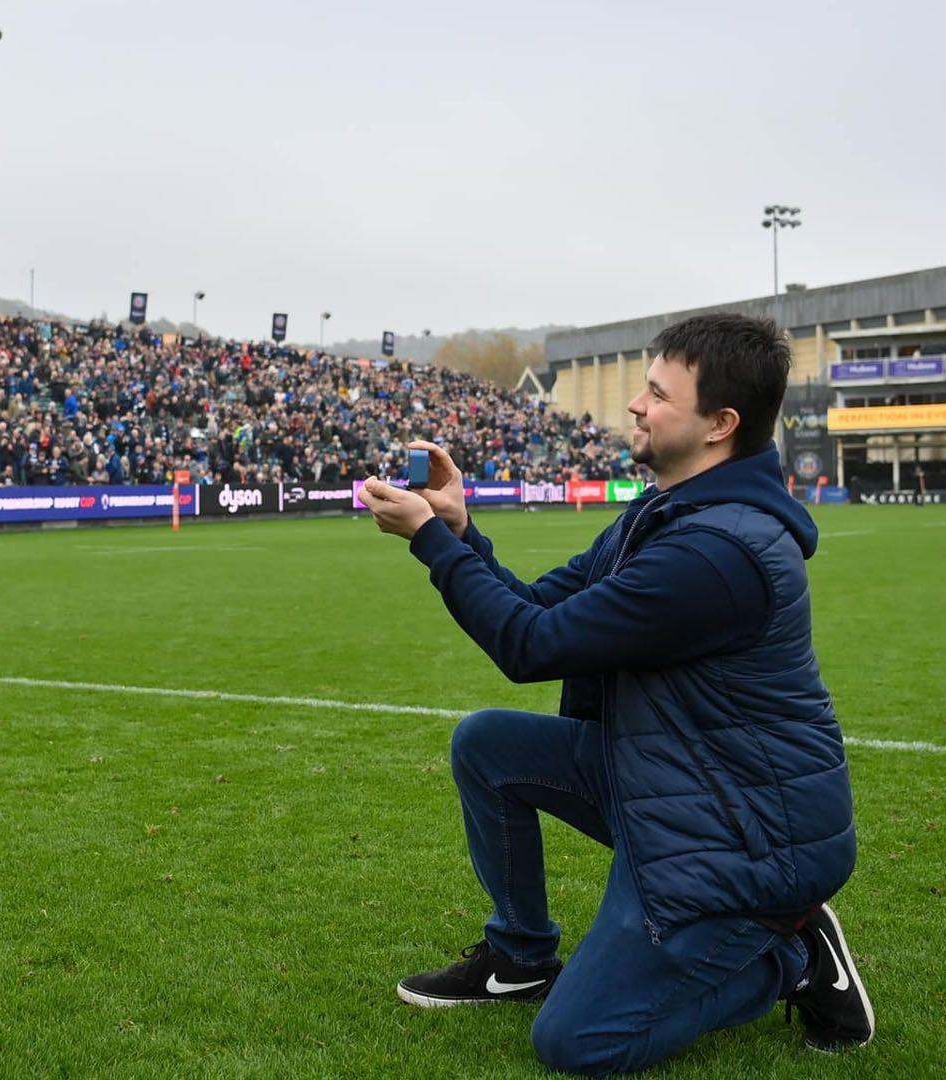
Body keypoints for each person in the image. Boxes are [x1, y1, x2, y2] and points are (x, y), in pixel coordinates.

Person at [358, 314, 868, 1074]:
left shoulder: (717, 553)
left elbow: (530, 648)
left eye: (659, 394)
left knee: (578, 1042)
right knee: (488, 745)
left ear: (720, 425)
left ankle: (792, 956)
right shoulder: (667, 513)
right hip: (675, 780)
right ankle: (520, 958)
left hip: (745, 827)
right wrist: (460, 531)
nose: (635, 404)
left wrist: (430, 543)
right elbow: (539, 608)